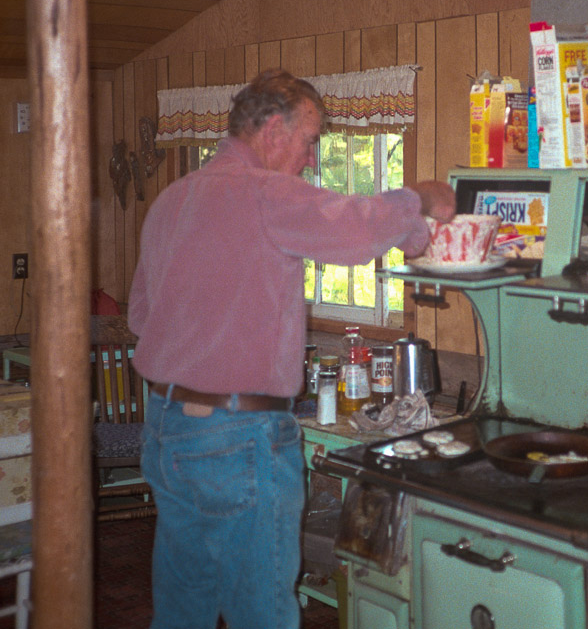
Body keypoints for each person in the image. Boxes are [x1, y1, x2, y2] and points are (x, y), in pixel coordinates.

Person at [127, 68, 456, 629]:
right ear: (273, 129)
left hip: (167, 428)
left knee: (184, 608)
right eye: (310, 141)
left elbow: (140, 316)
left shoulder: (172, 200)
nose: (310, 159)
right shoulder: (263, 192)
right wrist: (420, 197)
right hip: (236, 435)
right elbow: (353, 230)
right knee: (263, 612)